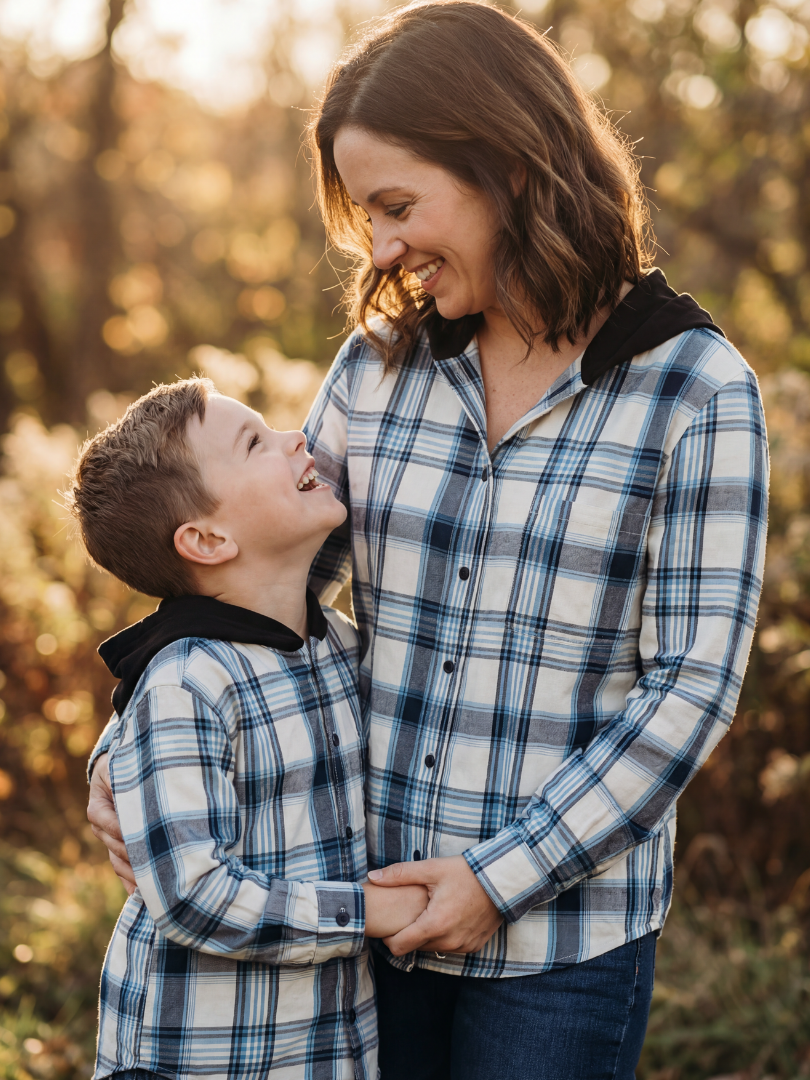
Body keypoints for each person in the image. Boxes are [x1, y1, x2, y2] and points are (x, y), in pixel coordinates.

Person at [89, 2, 769, 1078]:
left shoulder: (696, 391)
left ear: (509, 166)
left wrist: (501, 878)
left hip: (561, 948)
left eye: (398, 206)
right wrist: (129, 745)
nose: (384, 249)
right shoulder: (377, 368)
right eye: (369, 217)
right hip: (368, 920)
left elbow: (691, 685)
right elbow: (252, 582)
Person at [69, 378, 428, 1080]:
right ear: (207, 539)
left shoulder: (339, 647)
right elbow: (193, 895)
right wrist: (368, 912)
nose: (298, 438)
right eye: (255, 443)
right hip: (196, 1055)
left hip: (325, 1049)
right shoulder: (186, 684)